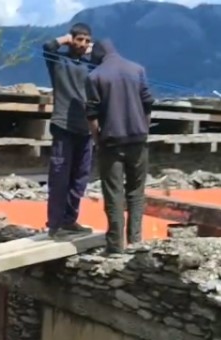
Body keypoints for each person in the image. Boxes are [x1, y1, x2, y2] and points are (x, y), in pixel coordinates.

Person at [85, 39, 154, 254]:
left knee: (114, 194)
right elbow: (148, 103)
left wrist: (97, 139)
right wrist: (144, 128)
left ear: (98, 54)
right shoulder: (137, 69)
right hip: (138, 140)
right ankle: (135, 241)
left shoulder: (94, 76)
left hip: (111, 143)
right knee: (136, 191)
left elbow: (92, 114)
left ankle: (115, 246)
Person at [42, 22, 95, 237]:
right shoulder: (59, 61)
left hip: (85, 129)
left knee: (80, 177)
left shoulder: (90, 66)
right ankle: (54, 223)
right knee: (59, 176)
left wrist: (94, 52)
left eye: (86, 41)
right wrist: (63, 39)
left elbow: (105, 62)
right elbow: (47, 47)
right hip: (63, 125)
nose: (82, 44)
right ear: (71, 39)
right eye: (79, 39)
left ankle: (69, 220)